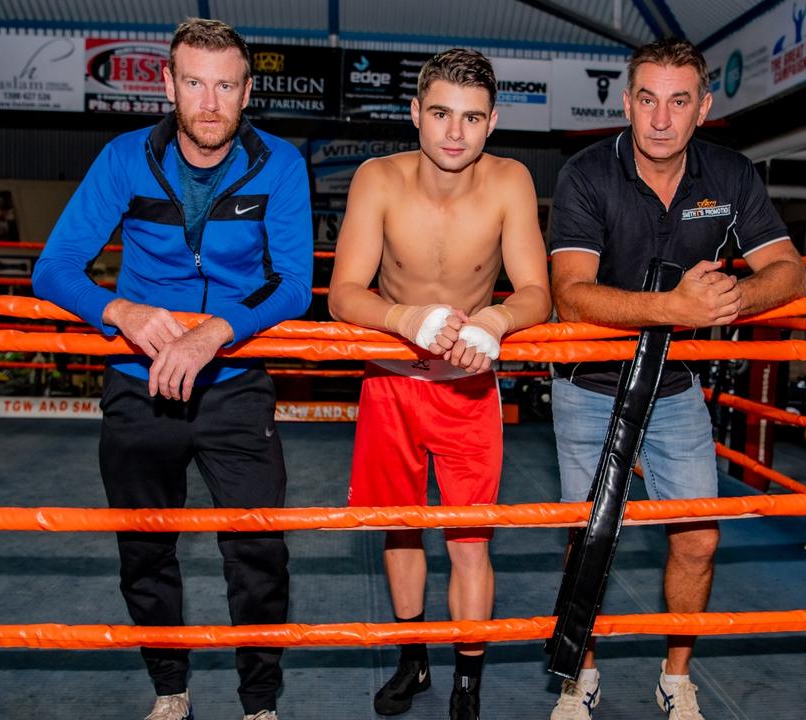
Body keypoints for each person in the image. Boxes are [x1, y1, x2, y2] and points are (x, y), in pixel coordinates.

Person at [32, 18, 312, 720]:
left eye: (225, 85)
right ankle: (169, 690)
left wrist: (214, 332)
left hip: (234, 385)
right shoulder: (124, 158)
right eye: (194, 82)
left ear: (248, 92)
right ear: (167, 84)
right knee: (144, 548)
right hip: (138, 385)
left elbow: (293, 284)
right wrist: (119, 312)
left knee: (258, 551)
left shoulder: (278, 163)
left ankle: (258, 704)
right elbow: (53, 269)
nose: (209, 102)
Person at [547, 38, 806, 720]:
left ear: (703, 108)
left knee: (697, 536)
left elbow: (787, 269)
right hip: (586, 382)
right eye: (647, 99)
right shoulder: (585, 174)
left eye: (678, 101)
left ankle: (676, 675)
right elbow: (572, 294)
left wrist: (731, 302)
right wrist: (673, 308)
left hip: (672, 385)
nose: (660, 119)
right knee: (587, 540)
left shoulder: (729, 175)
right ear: (628, 102)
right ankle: (581, 675)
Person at [328, 49, 551, 720]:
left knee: (469, 538)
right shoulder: (378, 178)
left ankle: (467, 678)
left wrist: (497, 318)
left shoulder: (510, 181)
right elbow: (342, 294)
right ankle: (412, 661)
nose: (455, 133)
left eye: (471, 118)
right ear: (415, 114)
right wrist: (404, 317)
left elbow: (538, 291)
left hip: (468, 387)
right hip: (390, 385)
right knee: (399, 532)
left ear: (491, 122)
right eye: (440, 114)